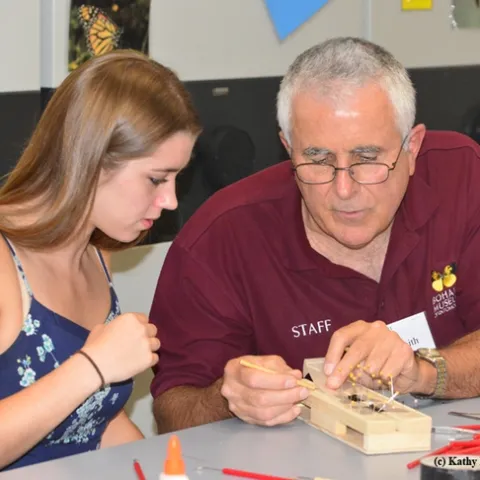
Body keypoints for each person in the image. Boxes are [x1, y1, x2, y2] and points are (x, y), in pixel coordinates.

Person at [149, 36, 480, 433]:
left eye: (367, 159)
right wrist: (226, 397)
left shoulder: (461, 177)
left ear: (413, 148)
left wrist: (423, 372)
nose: (344, 190)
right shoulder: (221, 240)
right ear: (288, 148)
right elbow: (172, 411)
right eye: (318, 160)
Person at [0, 50, 201, 471]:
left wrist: (165, 469)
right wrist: (92, 366)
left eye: (176, 179)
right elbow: (85, 380)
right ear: (91, 161)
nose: (170, 201)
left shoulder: (96, 254)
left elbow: (95, 423)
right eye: (156, 179)